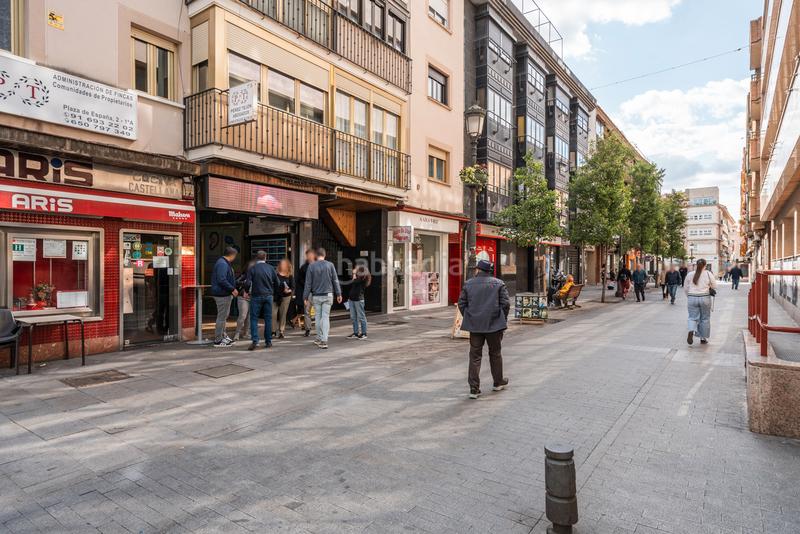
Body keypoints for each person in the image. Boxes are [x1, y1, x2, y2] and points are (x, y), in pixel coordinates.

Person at [458, 260, 510, 400]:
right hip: (494, 325)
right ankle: (498, 382)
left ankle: (474, 389)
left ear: (478, 269)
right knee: (495, 353)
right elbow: (505, 304)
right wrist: (501, 319)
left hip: (475, 326)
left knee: (475, 356)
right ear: (490, 271)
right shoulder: (499, 283)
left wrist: (470, 317)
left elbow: (462, 304)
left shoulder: (469, 284)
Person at [303, 247, 342, 350]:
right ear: (325, 255)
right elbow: (335, 280)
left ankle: (320, 338)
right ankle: (324, 340)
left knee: (318, 317)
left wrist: (305, 297)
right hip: (328, 295)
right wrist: (339, 294)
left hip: (316, 296)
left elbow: (308, 283)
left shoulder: (311, 266)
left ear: (316, 256)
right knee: (325, 317)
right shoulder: (330, 265)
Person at [246, 250, 281, 350]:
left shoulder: (252, 268)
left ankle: (255, 341)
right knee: (268, 319)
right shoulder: (270, 268)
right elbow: (277, 283)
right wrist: (274, 292)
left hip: (256, 296)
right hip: (268, 296)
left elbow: (248, 283)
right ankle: (268, 341)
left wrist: (246, 291)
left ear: (257, 258)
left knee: (254, 318)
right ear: (266, 257)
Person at [209, 246, 238, 347]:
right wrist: (232, 289)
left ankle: (223, 336)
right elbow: (222, 279)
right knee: (222, 317)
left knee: (224, 317)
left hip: (223, 293)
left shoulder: (222, 262)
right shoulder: (222, 264)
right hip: (222, 294)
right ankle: (218, 340)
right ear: (232, 255)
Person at [685, 258, 717, 345]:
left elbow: (686, 288)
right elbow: (714, 286)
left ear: (696, 265)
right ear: (705, 265)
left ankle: (691, 330)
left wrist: (689, 296)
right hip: (704, 298)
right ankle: (703, 338)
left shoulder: (690, 274)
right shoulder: (708, 273)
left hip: (692, 297)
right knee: (704, 318)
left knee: (692, 317)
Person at [233, 259, 256, 342]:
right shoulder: (243, 275)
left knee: (249, 317)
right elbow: (236, 283)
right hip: (243, 297)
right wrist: (245, 284)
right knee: (242, 316)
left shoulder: (257, 275)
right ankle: (237, 333)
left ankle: (246, 333)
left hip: (253, 297)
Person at [271, 259, 294, 339]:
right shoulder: (275, 274)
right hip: (276, 296)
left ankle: (281, 331)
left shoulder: (290, 275)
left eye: (284, 264)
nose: (282, 265)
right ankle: (273, 331)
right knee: (273, 314)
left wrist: (288, 290)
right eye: (281, 264)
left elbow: (292, 287)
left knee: (283, 314)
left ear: (287, 266)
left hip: (286, 297)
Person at [295, 249, 316, 336]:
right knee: (306, 311)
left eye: (310, 255)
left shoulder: (318, 265)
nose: (308, 257)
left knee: (319, 312)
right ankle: (308, 329)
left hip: (318, 292)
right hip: (308, 292)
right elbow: (299, 280)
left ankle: (320, 330)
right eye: (307, 255)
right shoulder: (303, 267)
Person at [347, 264, 371, 339]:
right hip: (352, 299)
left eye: (357, 269)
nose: (355, 270)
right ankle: (355, 333)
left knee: (361, 317)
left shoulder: (363, 279)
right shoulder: (358, 278)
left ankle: (364, 333)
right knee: (353, 317)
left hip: (358, 300)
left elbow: (354, 281)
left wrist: (354, 273)